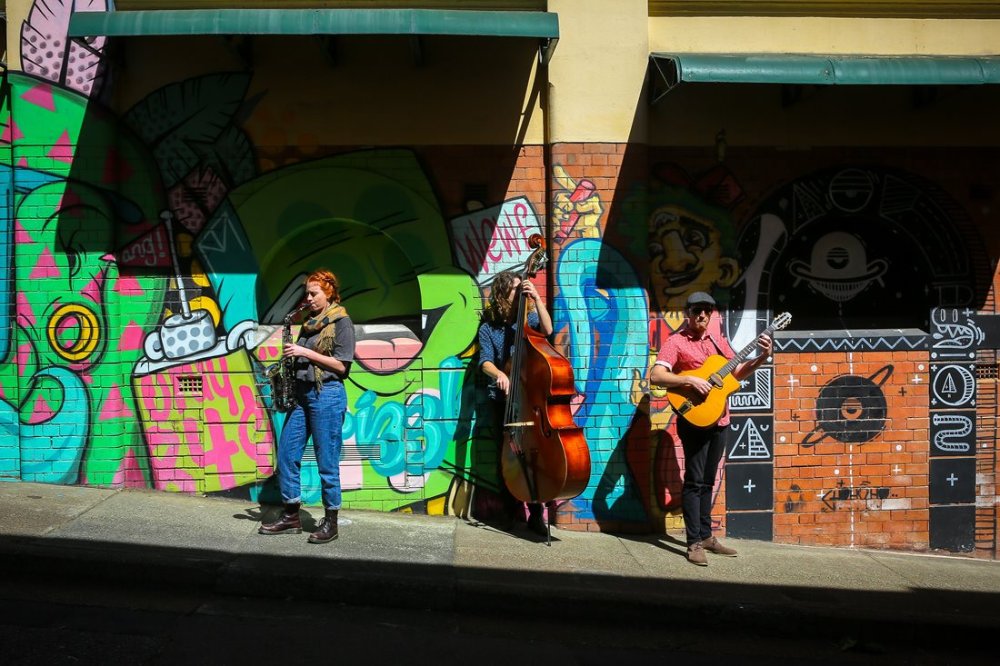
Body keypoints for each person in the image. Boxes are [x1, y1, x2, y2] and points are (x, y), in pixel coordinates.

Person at [649, 291, 772, 566]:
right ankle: (693, 542)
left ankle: (706, 536)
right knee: (693, 482)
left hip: (720, 420)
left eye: (706, 310)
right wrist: (691, 380)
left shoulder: (719, 342)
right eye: (696, 311)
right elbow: (656, 375)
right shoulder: (676, 342)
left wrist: (762, 357)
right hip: (693, 419)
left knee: (708, 481)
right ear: (687, 313)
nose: (701, 315)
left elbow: (736, 372)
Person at [259, 269, 355, 544]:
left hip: (327, 394)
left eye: (314, 293)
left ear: (330, 293)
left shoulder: (342, 322)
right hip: (301, 396)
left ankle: (331, 522)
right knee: (288, 453)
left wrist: (304, 352)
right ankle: (291, 515)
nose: (309, 298)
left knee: (327, 463)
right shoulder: (309, 322)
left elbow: (342, 365)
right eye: (307, 293)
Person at [477, 270, 553, 536]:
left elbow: (548, 329)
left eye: (523, 291)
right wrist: (500, 374)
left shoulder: (528, 319)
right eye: (515, 291)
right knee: (509, 458)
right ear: (501, 294)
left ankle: (536, 514)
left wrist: (537, 298)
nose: (520, 295)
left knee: (534, 459)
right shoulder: (489, 328)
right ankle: (512, 512)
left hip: (530, 401)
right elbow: (484, 361)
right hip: (504, 402)